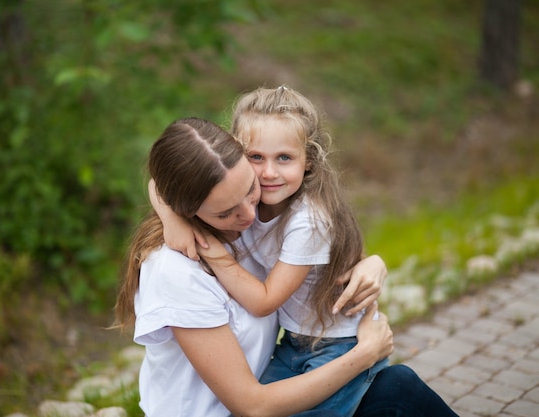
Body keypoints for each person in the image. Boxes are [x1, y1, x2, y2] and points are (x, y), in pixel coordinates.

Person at [115, 117, 458, 417]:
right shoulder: (177, 271)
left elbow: (161, 183)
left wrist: (372, 263)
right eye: (225, 212)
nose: (249, 216)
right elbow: (252, 405)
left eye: (250, 190)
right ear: (188, 209)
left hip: (271, 399)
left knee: (398, 387)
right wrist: (365, 353)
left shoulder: (245, 229)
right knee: (396, 393)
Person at [154, 86, 387, 417]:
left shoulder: (308, 220)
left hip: (339, 344)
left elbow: (264, 301)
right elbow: (161, 180)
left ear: (309, 161)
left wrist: (214, 253)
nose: (268, 173)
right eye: (256, 157)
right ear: (235, 152)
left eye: (285, 158)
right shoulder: (248, 196)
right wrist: (170, 217)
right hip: (292, 343)